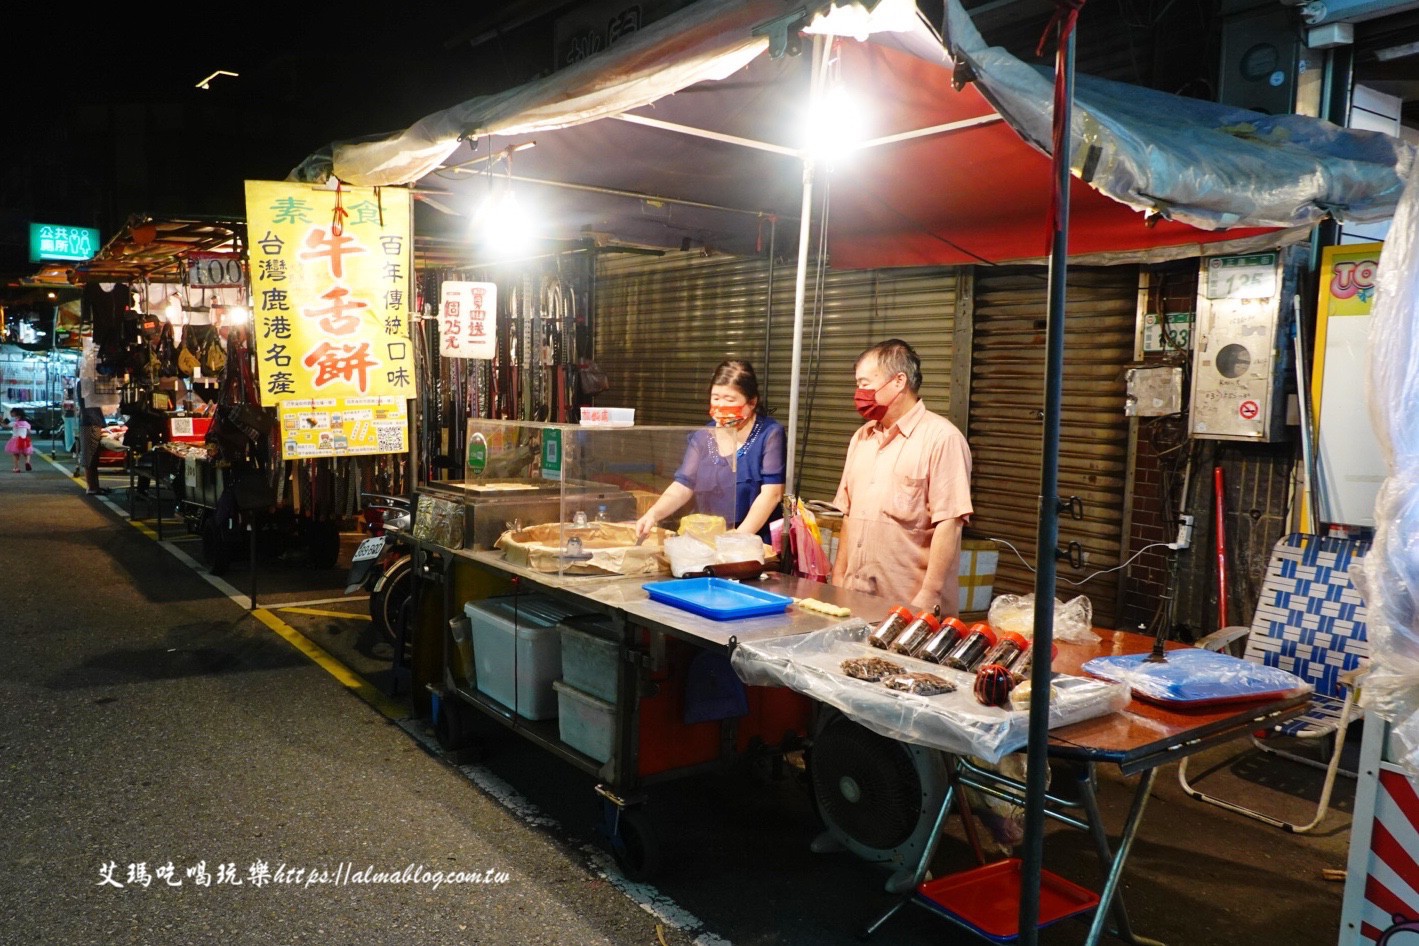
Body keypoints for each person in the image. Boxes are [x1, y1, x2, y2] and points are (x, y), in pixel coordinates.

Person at [831, 339, 973, 616]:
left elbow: (950, 523)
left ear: (898, 382)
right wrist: (838, 576)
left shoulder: (942, 439)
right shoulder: (862, 438)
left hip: (911, 606)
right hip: (856, 599)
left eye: (865, 383)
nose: (859, 392)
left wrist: (928, 595)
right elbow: (848, 513)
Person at [635, 360, 785, 546]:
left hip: (753, 542)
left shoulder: (770, 434)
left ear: (752, 402)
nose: (721, 406)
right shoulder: (703, 436)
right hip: (707, 540)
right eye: (716, 398)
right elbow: (683, 484)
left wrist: (738, 537)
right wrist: (653, 514)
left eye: (729, 400)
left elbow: (772, 494)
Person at [5, 408, 34, 472]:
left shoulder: (15, 423)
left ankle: (16, 468)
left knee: (16, 455)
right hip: (24, 440)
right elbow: (30, 432)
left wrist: (2, 420)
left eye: (12, 413)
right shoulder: (26, 423)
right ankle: (27, 462)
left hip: (15, 440)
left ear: (17, 415)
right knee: (27, 453)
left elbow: (5, 425)